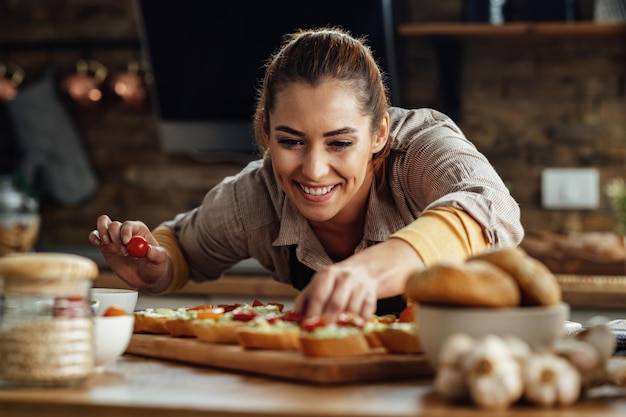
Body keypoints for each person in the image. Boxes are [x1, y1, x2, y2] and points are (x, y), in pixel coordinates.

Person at [89, 27, 524, 321]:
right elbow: (181, 247)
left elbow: (493, 208)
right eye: (291, 141)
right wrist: (154, 269)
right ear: (266, 133)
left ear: (379, 132)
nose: (314, 170)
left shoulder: (418, 150)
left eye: (340, 142)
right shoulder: (254, 200)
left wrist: (368, 271)